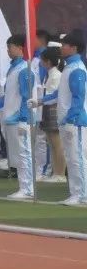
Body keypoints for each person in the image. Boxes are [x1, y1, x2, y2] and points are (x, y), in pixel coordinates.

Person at [0, 35, 35, 199]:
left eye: (10, 47)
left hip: (19, 119)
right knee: (17, 156)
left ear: (19, 48)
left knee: (24, 153)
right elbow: (8, 95)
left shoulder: (24, 69)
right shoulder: (12, 69)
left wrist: (23, 118)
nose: (8, 50)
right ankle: (22, 186)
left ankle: (28, 188)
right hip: (10, 118)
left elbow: (27, 97)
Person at [56, 31, 87, 206]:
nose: (62, 48)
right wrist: (40, 101)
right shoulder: (68, 67)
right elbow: (60, 93)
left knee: (78, 158)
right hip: (67, 121)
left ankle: (82, 194)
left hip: (75, 122)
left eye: (64, 45)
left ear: (73, 48)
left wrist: (71, 119)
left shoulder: (77, 69)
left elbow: (78, 97)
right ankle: (76, 192)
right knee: (71, 158)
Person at [30, 47, 66, 183]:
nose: (40, 63)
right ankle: (55, 172)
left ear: (48, 61)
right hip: (46, 109)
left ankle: (60, 173)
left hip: (53, 109)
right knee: (51, 143)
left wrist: (39, 101)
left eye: (42, 60)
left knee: (57, 143)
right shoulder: (50, 74)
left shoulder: (56, 75)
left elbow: (54, 96)